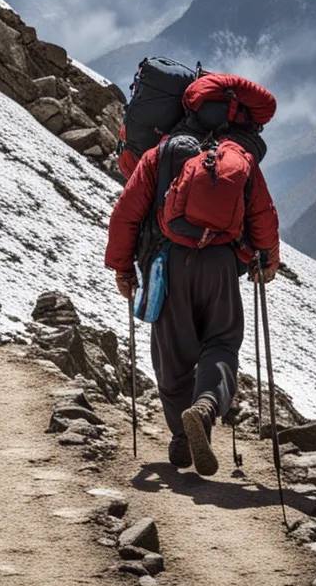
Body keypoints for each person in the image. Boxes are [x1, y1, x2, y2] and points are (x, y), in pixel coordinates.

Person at [105, 141, 281, 476]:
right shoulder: (234, 155)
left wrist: (122, 267)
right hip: (220, 264)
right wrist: (267, 260)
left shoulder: (160, 154)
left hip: (170, 263)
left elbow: (127, 212)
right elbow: (262, 211)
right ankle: (204, 408)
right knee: (222, 343)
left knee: (173, 356)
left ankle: (182, 437)